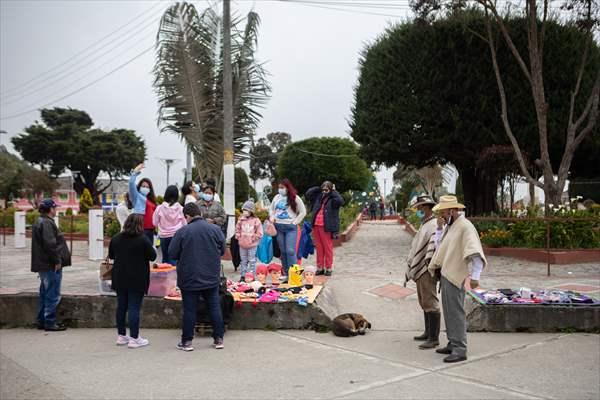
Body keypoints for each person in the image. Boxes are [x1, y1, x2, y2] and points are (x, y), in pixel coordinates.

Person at [427, 195, 487, 363]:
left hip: (455, 275)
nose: (441, 215)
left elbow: (475, 252)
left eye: (443, 211)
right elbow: (441, 248)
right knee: (449, 311)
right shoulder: (451, 226)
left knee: (456, 312)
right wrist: (439, 230)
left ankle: (460, 349)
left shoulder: (465, 227)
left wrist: (475, 277)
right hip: (447, 273)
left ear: (452, 210)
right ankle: (453, 343)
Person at [169, 203, 226, 351]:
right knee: (214, 307)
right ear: (199, 213)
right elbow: (223, 250)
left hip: (189, 277)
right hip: (211, 276)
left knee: (189, 309)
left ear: (187, 216)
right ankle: (219, 339)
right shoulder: (215, 229)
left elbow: (173, 253)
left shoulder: (182, 232)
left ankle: (187, 342)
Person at [109, 214, 157, 348]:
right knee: (134, 307)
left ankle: (121, 335)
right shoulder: (142, 239)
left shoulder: (116, 238)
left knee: (121, 306)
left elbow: (111, 255)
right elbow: (153, 257)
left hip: (119, 277)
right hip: (137, 278)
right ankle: (134, 338)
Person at [405, 195, 441, 350]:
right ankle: (428, 332)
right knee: (423, 300)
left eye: (420, 207)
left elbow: (432, 246)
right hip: (422, 269)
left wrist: (426, 263)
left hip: (427, 268)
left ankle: (434, 338)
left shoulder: (432, 224)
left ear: (427, 207)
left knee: (430, 301)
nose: (418, 210)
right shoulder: (425, 223)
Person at [31, 199, 71, 331]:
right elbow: (50, 245)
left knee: (44, 293)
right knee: (52, 294)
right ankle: (49, 322)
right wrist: (57, 261)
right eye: (55, 207)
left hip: (43, 264)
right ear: (50, 209)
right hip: (50, 265)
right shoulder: (47, 223)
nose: (56, 209)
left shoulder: (40, 221)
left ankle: (42, 320)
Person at [269, 178, 306, 277]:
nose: (280, 189)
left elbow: (303, 212)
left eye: (282, 187)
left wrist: (295, 222)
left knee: (290, 250)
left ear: (288, 188)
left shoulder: (295, 198)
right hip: (278, 227)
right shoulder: (276, 197)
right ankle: (285, 273)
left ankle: (294, 274)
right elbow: (271, 209)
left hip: (290, 228)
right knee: (283, 251)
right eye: (279, 187)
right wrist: (272, 217)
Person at [305, 181, 344, 276]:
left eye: (326, 189)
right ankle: (320, 267)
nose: (324, 191)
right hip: (316, 225)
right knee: (319, 247)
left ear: (331, 189)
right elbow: (308, 194)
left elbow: (340, 201)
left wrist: (333, 191)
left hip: (326, 226)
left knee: (327, 247)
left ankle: (329, 268)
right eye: (323, 189)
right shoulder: (318, 197)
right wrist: (319, 188)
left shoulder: (333, 199)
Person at [152, 185, 186, 265]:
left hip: (163, 237)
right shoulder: (181, 209)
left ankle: (164, 276)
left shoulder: (159, 208)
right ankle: (173, 276)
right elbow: (185, 224)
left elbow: (154, 223)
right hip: (176, 236)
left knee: (165, 258)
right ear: (177, 195)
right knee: (174, 258)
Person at [128, 163, 157, 245]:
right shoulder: (136, 196)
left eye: (147, 187)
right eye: (143, 186)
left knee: (149, 253)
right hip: (141, 229)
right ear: (139, 186)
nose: (145, 188)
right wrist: (135, 172)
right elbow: (131, 183)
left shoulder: (151, 199)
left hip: (151, 230)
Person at [235, 199, 263, 281]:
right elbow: (237, 229)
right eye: (243, 210)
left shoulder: (256, 221)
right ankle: (243, 276)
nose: (244, 211)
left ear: (251, 211)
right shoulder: (241, 219)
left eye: (246, 210)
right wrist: (238, 237)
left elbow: (260, 233)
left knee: (252, 261)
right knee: (243, 261)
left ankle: (252, 276)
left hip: (252, 245)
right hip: (242, 244)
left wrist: (253, 238)